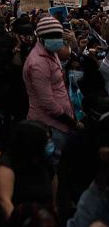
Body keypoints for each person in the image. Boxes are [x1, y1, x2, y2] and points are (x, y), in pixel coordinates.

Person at [23, 15, 79, 160]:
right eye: (52, 36)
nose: (56, 39)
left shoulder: (51, 52)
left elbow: (69, 54)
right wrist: (72, 122)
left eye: (58, 35)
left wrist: (72, 41)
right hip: (51, 126)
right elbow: (47, 103)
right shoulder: (38, 64)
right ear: (41, 38)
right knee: (53, 163)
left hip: (60, 123)